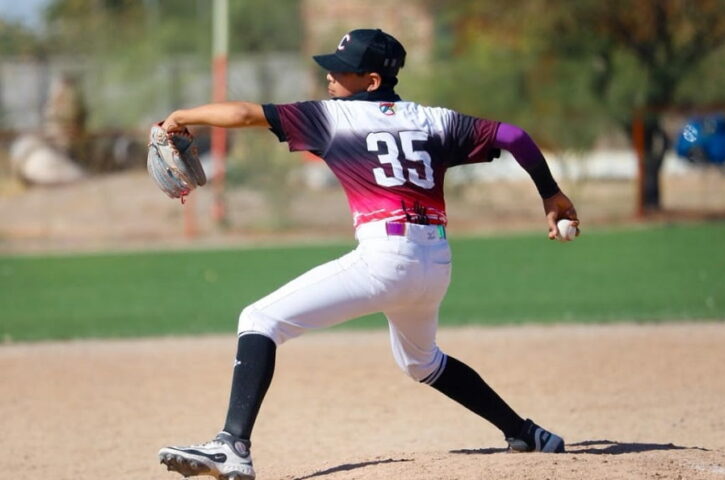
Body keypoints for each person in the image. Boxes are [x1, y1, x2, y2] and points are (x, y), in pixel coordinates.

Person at [158, 28, 579, 480]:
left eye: (342, 70)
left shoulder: (333, 117)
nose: (330, 76)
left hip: (386, 258)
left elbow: (244, 114)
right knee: (422, 362)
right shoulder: (434, 120)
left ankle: (232, 446)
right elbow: (514, 135)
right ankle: (524, 432)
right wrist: (551, 195)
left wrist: (180, 115)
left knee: (259, 320)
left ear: (372, 81)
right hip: (435, 263)